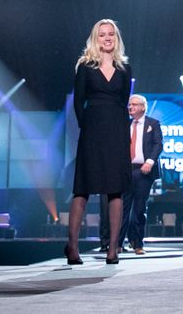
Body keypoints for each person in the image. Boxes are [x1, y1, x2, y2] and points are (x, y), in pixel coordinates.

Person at [67, 19, 132, 265]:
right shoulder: (85, 66)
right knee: (82, 188)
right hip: (92, 130)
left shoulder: (125, 68)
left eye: (111, 34)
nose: (107, 38)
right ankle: (72, 248)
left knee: (115, 190)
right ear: (96, 38)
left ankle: (113, 249)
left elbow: (123, 102)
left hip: (117, 130)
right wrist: (88, 127)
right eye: (103, 34)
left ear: (116, 38)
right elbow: (78, 102)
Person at [117, 94, 163, 254]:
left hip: (144, 170)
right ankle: (118, 244)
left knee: (139, 208)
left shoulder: (153, 124)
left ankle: (138, 243)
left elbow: (158, 144)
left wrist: (149, 162)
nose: (130, 107)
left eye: (134, 104)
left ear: (143, 107)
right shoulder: (125, 124)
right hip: (126, 170)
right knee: (122, 208)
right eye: (129, 105)